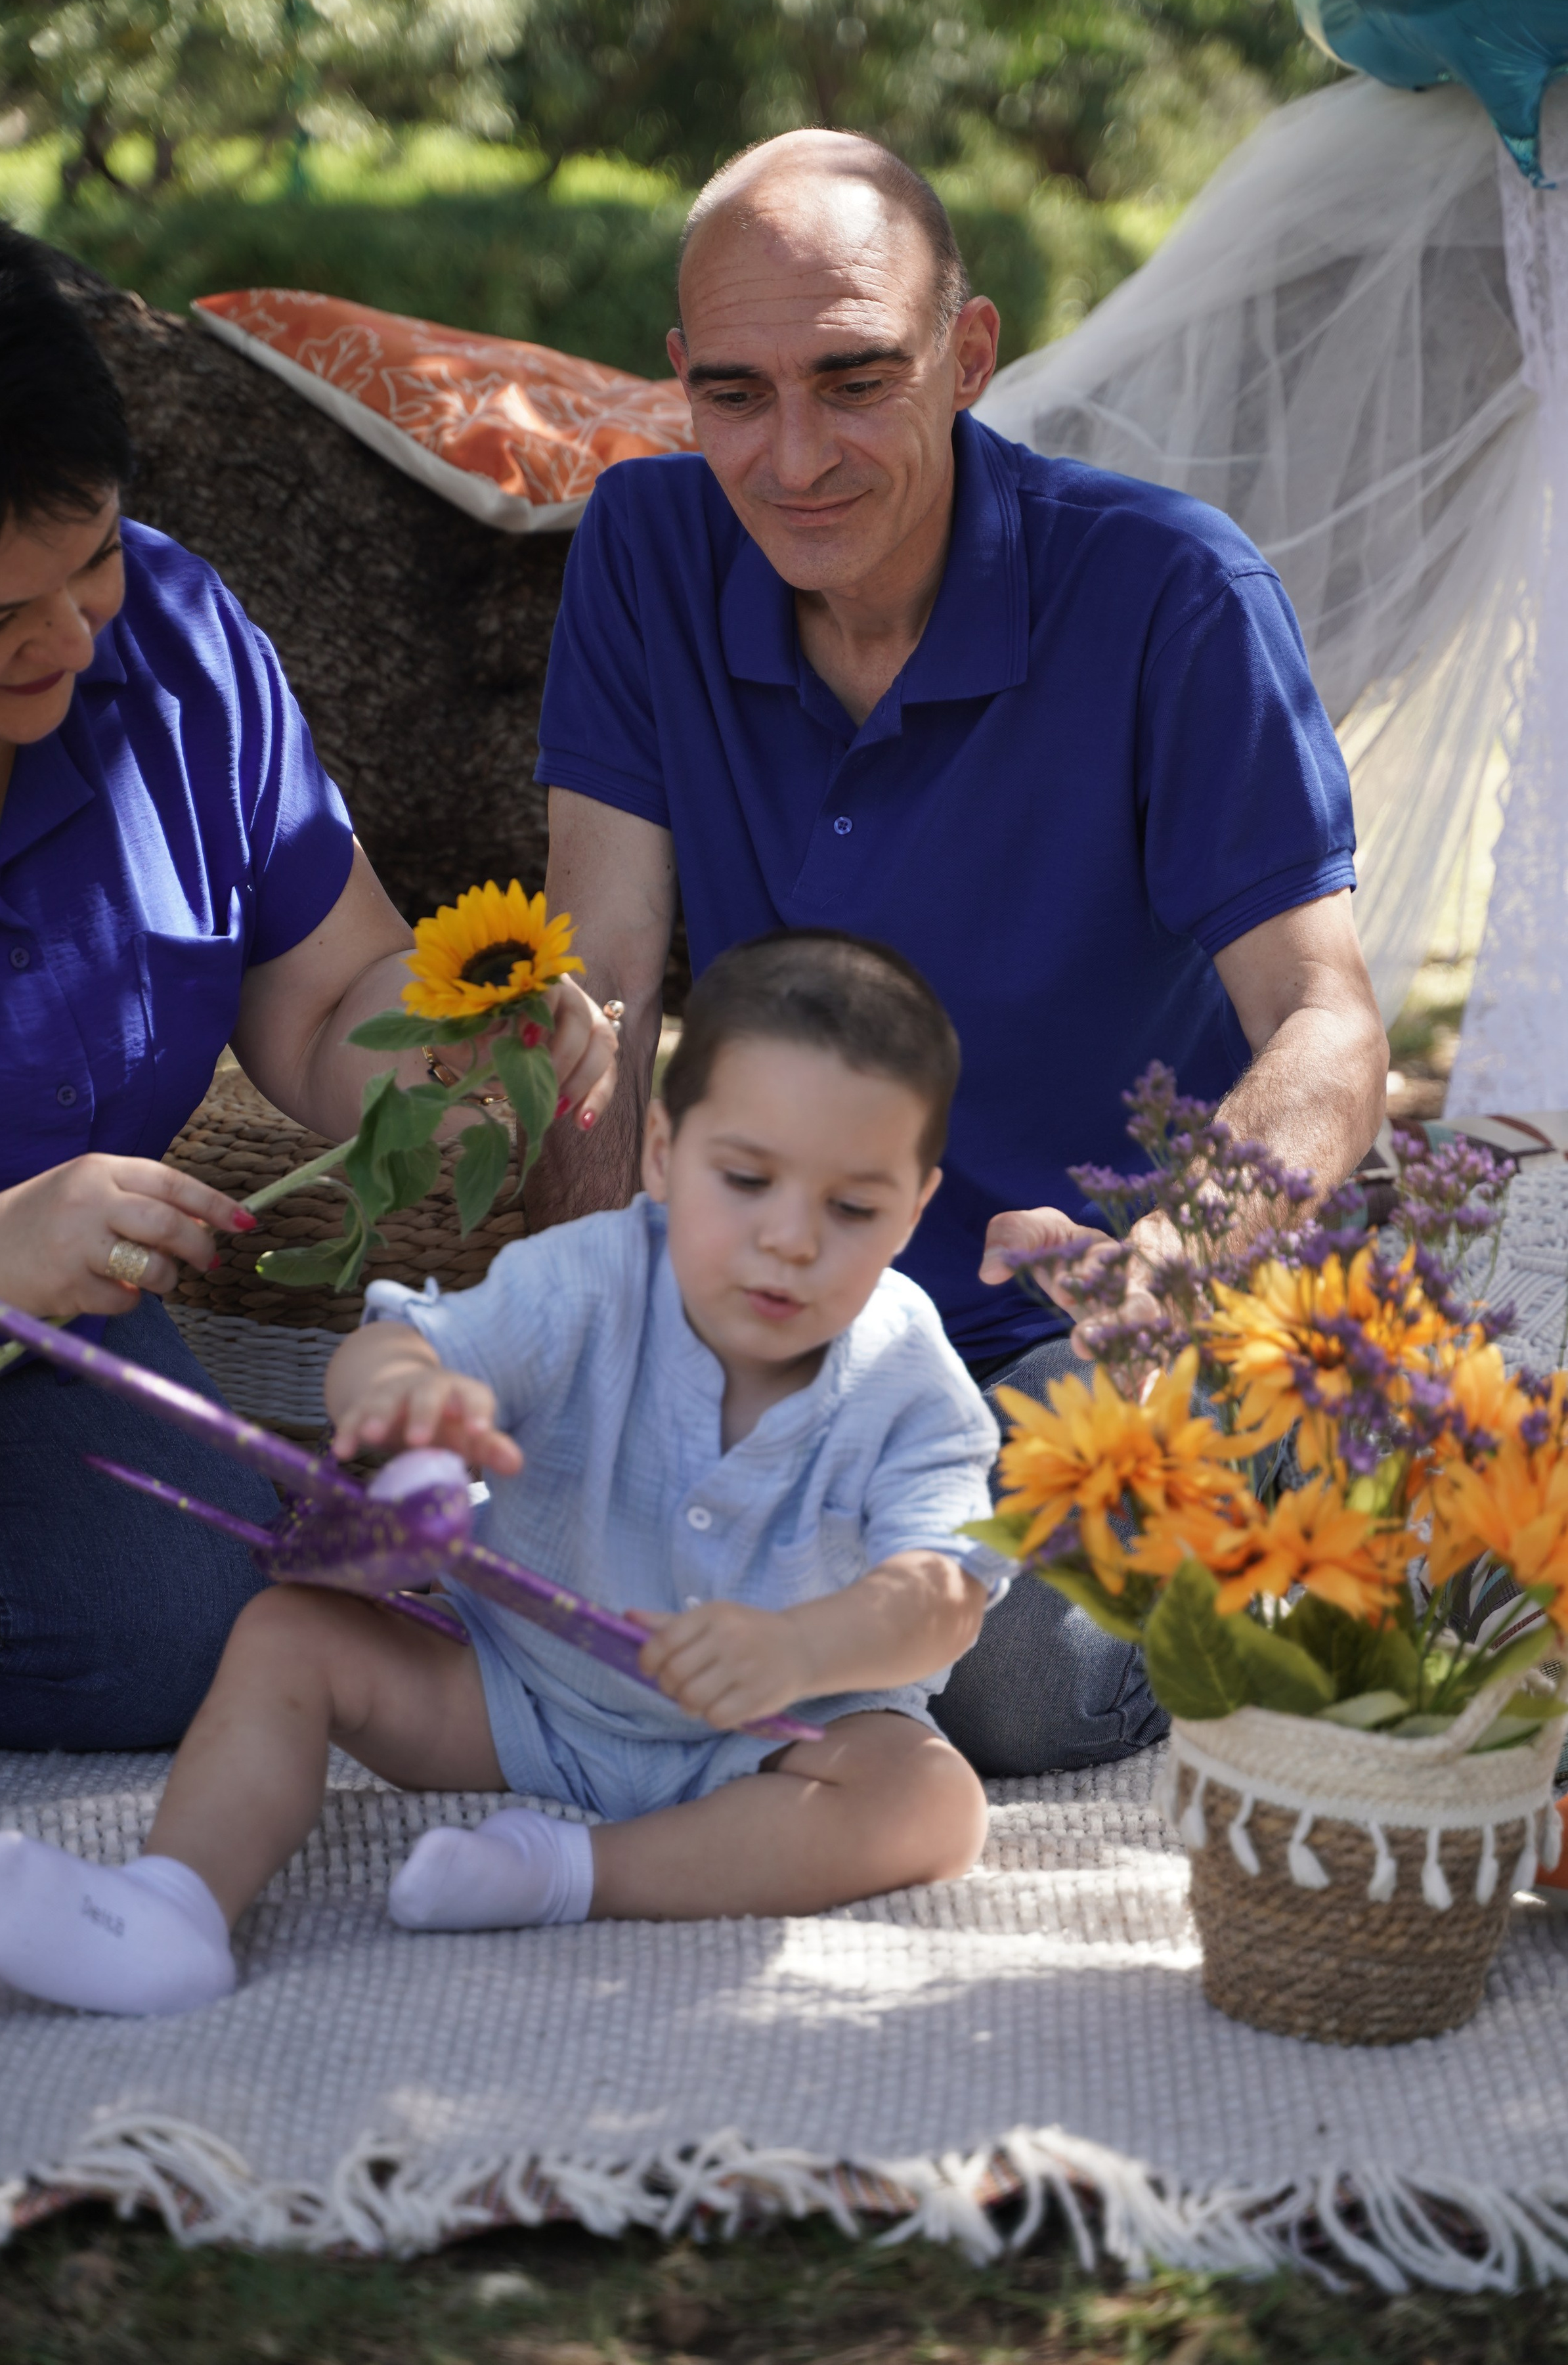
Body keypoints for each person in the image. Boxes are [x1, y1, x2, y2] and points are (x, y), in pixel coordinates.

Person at [530, 127, 1391, 1779]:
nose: (790, 457)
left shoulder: (1169, 594)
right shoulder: (642, 550)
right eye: (735, 393)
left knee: (996, 1682)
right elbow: (598, 983)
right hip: (790, 1303)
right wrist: (595, 1337)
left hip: (1090, 1317)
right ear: (680, 383)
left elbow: (1329, 1026)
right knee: (506, 1564)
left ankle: (1271, 1516)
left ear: (967, 356)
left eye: (853, 380)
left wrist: (1171, 1251)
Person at [0, 194, 617, 1751]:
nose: (76, 638)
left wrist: (451, 1042)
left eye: (87, 559)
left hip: (19, 1347)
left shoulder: (171, 634)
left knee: (176, 1625)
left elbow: (324, 987)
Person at [0, 932, 1003, 2015]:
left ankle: (571, 1876)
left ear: (916, 1207)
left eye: (852, 1209)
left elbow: (946, 1596)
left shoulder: (906, 1371)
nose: (789, 1239)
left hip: (772, 1741)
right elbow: (400, 1343)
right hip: (520, 1694)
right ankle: (173, 1905)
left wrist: (801, 1649)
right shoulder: (592, 1280)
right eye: (745, 1180)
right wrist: (409, 1397)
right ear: (660, 1153)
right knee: (287, 1635)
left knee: (931, 1803)